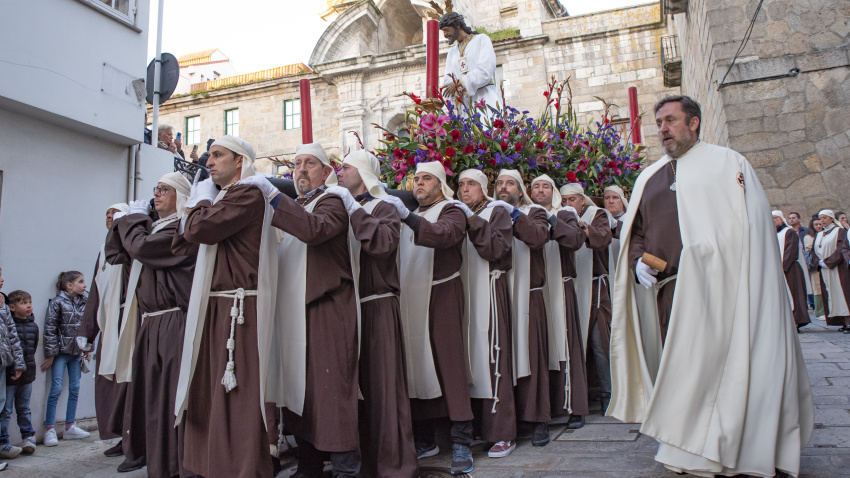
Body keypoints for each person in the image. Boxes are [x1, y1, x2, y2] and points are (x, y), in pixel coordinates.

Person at [609, 95, 813, 477]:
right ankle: (687, 450)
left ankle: (734, 446)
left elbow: (751, 228)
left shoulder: (728, 164)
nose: (663, 129)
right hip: (671, 293)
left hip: (726, 289)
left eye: (670, 120)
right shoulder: (649, 177)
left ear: (695, 123)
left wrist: (717, 258)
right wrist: (637, 260)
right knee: (685, 374)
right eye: (659, 123)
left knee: (728, 369)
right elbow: (636, 231)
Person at [245, 142, 361, 478]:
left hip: (328, 309)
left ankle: (345, 468)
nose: (301, 169)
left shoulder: (334, 201)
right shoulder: (296, 205)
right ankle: (309, 463)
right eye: (296, 164)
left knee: (332, 391)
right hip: (294, 312)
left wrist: (274, 196)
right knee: (302, 391)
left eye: (310, 163)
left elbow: (316, 231)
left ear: (327, 172)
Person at [172, 135, 279, 478]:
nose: (209, 161)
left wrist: (199, 202)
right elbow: (184, 239)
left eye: (218, 155)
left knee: (240, 392)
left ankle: (244, 466)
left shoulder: (246, 193)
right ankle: (215, 463)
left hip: (240, 308)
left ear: (240, 162)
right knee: (212, 390)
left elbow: (200, 228)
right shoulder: (224, 196)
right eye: (209, 155)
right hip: (218, 306)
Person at [99, 173, 195, 478]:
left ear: (180, 196)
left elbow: (141, 248)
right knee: (151, 395)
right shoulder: (153, 229)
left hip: (173, 321)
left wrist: (134, 219)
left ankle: (179, 464)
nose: (156, 194)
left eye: (163, 190)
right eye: (155, 189)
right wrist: (125, 220)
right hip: (150, 323)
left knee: (170, 396)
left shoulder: (182, 230)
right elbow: (116, 254)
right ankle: (158, 463)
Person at [383, 161, 473, 474]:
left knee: (449, 364)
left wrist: (406, 216)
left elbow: (445, 235)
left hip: (441, 293)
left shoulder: (453, 209)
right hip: (409, 296)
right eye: (416, 179)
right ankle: (425, 438)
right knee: (415, 364)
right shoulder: (412, 214)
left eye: (426, 179)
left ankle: (462, 439)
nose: (418, 184)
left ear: (440, 184)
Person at [333, 150, 418, 476]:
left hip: (376, 304)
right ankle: (368, 463)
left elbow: (383, 244)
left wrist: (354, 209)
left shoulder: (382, 206)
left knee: (384, 389)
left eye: (346, 167)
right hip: (347, 308)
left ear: (365, 172)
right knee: (356, 390)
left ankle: (395, 466)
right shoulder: (341, 206)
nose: (339, 172)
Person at [457, 169, 517, 458]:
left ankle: (502, 432)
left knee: (493, 358)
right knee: (469, 360)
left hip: (489, 292)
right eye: (460, 185)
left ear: (483, 188)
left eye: (471, 184)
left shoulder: (497, 211)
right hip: (465, 293)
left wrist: (471, 221)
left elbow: (497, 248)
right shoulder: (456, 212)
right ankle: (474, 430)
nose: (464, 189)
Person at [491, 170, 552, 447]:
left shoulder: (535, 211)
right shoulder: (490, 212)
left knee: (532, 355)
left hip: (529, 293)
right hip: (498, 294)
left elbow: (538, 237)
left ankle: (538, 419)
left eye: (510, 183)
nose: (504, 187)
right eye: (499, 183)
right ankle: (508, 420)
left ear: (520, 188)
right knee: (503, 358)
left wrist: (514, 216)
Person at [75, 203, 133, 465]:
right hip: (111, 323)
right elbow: (96, 293)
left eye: (116, 215)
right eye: (107, 216)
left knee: (129, 382)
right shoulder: (103, 251)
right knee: (110, 382)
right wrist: (88, 332)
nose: (110, 219)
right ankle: (123, 436)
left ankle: (134, 439)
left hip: (130, 320)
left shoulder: (133, 245)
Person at [531, 175, 590, 430]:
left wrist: (552, 220)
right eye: (536, 186)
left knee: (566, 344)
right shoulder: (525, 213)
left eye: (546, 186)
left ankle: (575, 406)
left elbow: (576, 240)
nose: (541, 190)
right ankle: (545, 409)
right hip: (535, 289)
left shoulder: (564, 212)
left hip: (560, 286)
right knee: (540, 348)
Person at [560, 183, 613, 412]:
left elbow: (603, 236)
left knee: (599, 341)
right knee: (572, 342)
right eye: (564, 200)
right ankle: (576, 395)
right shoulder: (560, 216)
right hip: (570, 286)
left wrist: (582, 225)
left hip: (594, 288)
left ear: (582, 200)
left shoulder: (596, 214)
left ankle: (608, 393)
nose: (568, 204)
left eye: (572, 200)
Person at [42, 271, 91, 447]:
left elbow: (88, 327)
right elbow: (49, 329)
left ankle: (70, 426)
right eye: (81, 281)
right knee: (55, 388)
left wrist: (87, 348)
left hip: (76, 354)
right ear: (69, 285)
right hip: (61, 354)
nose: (85, 285)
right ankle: (49, 429)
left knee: (75, 388)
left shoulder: (85, 302)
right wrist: (50, 354)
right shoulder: (57, 303)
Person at [439, 10, 501, 112]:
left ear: (457, 25)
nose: (445, 35)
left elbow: (485, 70)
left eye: (446, 30)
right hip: (464, 105)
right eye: (443, 31)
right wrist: (454, 88)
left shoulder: (481, 39)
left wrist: (460, 83)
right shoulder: (451, 53)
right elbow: (448, 79)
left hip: (485, 99)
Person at [1, 291, 37, 457]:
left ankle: (28, 437)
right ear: (12, 307)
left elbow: (33, 349)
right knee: (6, 410)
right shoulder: (9, 326)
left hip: (27, 373)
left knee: (24, 408)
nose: (29, 306)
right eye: (24, 303)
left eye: (29, 302)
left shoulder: (33, 326)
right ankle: (3, 442)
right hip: (10, 375)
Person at [773, 211, 812, 331]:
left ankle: (796, 321)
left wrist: (782, 267)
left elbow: (790, 252)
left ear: (781, 219)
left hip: (790, 270)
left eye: (775, 218)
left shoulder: (788, 232)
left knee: (794, 295)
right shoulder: (774, 234)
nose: (773, 221)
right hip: (779, 269)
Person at [815, 210, 850, 333]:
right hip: (825, 269)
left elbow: (841, 249)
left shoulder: (839, 231)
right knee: (831, 295)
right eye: (820, 218)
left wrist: (828, 262)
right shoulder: (820, 234)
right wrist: (818, 262)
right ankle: (841, 321)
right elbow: (815, 251)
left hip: (838, 269)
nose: (822, 220)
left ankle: (848, 321)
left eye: (825, 218)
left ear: (831, 219)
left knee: (843, 294)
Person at [0, 288, 24, 463]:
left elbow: (11, 334)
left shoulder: (2, 303)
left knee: (1, 404)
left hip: (2, 361)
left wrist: (18, 363)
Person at [805, 217, 825, 319]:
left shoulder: (825, 234)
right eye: (816, 224)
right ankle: (820, 311)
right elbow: (810, 250)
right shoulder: (809, 237)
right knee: (817, 288)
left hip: (825, 264)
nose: (818, 226)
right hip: (815, 265)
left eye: (820, 224)